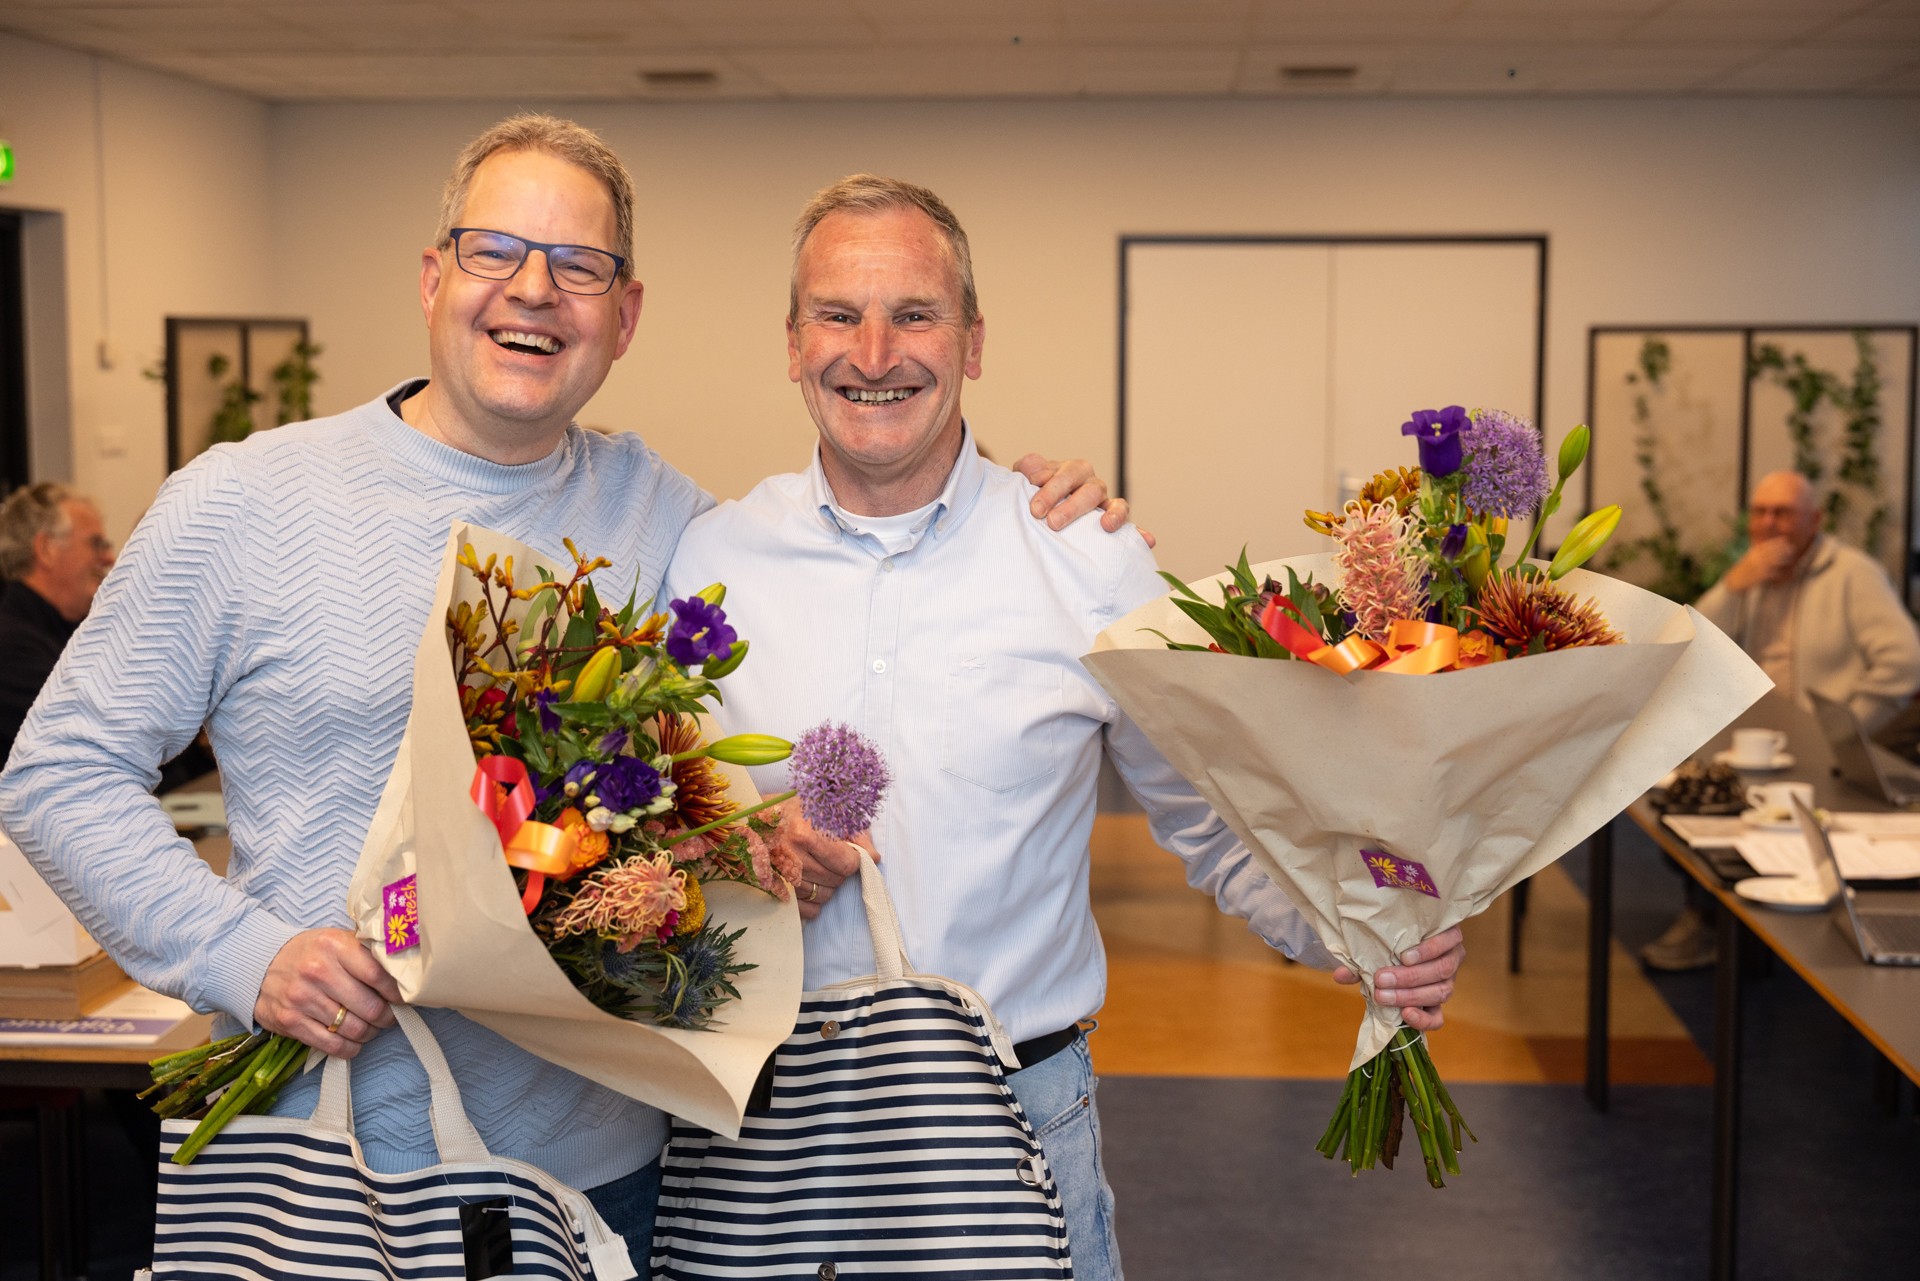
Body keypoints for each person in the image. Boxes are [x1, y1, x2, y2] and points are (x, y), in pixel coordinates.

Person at [0, 117, 1119, 1266]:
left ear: (623, 316)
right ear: (435, 276)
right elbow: (58, 774)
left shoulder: (671, 526)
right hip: (322, 1166)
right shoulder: (244, 503)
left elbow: (720, 736)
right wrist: (245, 956)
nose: (533, 292)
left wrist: (1029, 505)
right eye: (495, 252)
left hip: (599, 1185)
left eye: (579, 267)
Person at [666, 175, 1467, 1280]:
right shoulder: (710, 564)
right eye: (838, 315)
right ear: (793, 343)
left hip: (1012, 1118)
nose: (875, 350)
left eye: (916, 313)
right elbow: (650, 832)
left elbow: (1209, 817)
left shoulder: (1085, 556)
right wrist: (734, 855)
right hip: (754, 1126)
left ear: (974, 342)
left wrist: (1357, 925)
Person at [1643, 469, 1920, 970]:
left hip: (1820, 740)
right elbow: (1690, 643)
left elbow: (1904, 661)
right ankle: (1713, 919)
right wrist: (1732, 585)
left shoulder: (1852, 575)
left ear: (1814, 521)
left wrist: (1843, 730)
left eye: (1784, 513)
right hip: (1751, 733)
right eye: (1761, 512)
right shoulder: (1752, 573)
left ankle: (1726, 929)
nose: (1770, 524)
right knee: (1677, 802)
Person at [0, 482, 115, 766]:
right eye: (96, 543)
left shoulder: (69, 633)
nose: (109, 558)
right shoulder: (11, 649)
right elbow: (98, 742)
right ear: (47, 549)